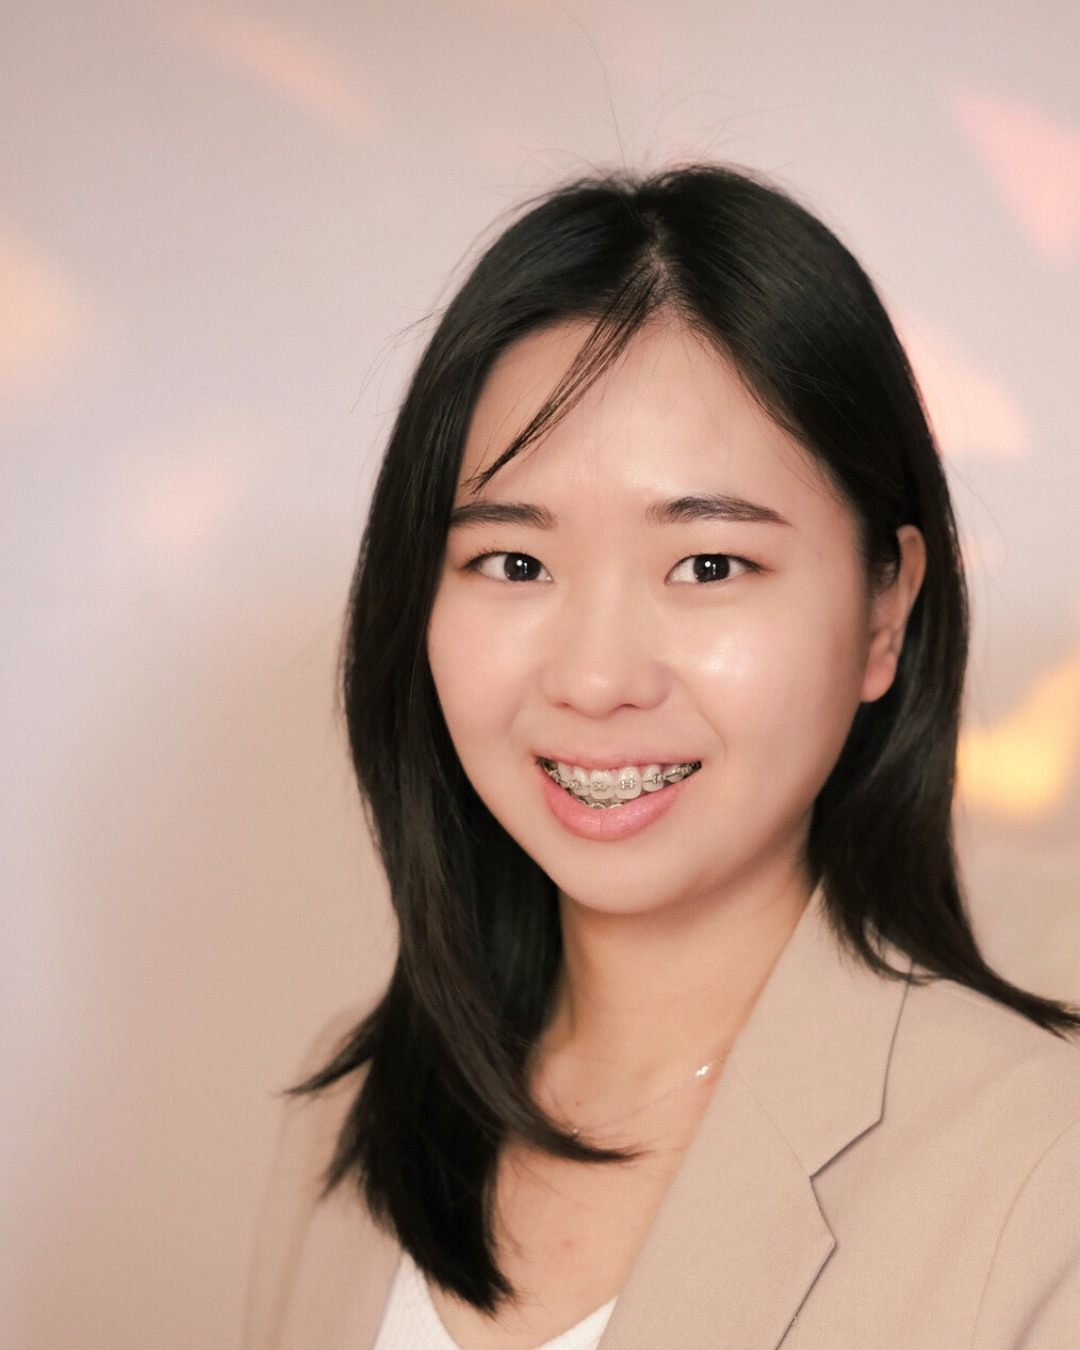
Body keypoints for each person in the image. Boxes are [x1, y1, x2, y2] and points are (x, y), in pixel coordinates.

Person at [243, 164, 1080, 1350]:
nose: (595, 677)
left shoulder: (1047, 1179)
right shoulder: (357, 1122)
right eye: (515, 565)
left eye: (708, 566)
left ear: (884, 611)